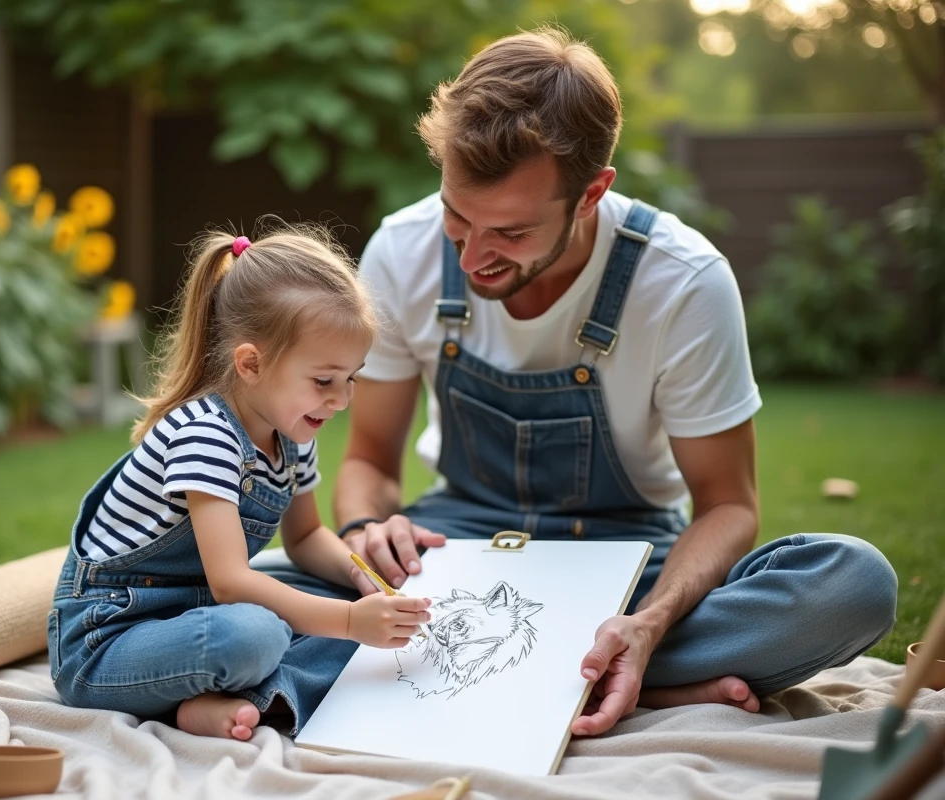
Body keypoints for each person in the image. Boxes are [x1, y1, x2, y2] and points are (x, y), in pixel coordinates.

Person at [265, 27, 899, 737]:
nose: (473, 257)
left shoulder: (685, 282)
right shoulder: (401, 250)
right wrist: (365, 529)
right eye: (456, 215)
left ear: (592, 193)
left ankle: (570, 661)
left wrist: (648, 624)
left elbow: (727, 506)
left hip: (630, 559)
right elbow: (370, 460)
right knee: (238, 588)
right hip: (460, 549)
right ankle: (628, 681)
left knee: (852, 585)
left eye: (509, 232)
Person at [48, 226, 431, 742]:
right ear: (251, 363)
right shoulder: (205, 434)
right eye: (324, 380)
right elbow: (230, 581)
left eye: (352, 378)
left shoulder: (291, 431)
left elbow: (306, 538)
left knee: (336, 608)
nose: (341, 400)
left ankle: (217, 704)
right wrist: (348, 621)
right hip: (108, 639)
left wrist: (366, 579)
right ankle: (203, 700)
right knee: (258, 634)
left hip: (196, 615)